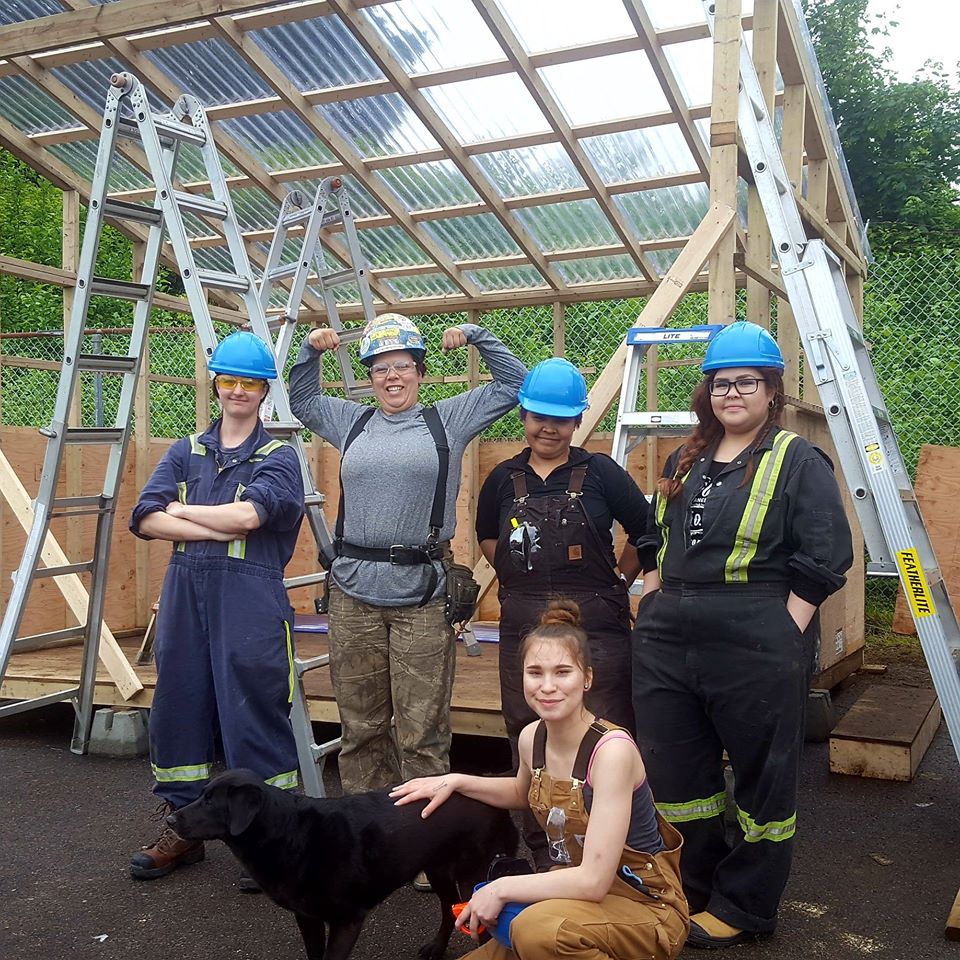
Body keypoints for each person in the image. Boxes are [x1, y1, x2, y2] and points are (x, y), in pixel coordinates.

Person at [631, 321, 853, 948]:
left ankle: (747, 907)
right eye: (720, 382)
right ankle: (692, 890)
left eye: (746, 382)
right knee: (678, 774)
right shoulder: (686, 456)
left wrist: (790, 623)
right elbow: (656, 538)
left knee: (761, 776)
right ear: (707, 391)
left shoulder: (796, 459)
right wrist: (652, 598)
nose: (731, 393)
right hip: (671, 632)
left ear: (771, 390)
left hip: (756, 631)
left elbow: (828, 550)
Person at [288, 313, 526, 798]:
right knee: (360, 730)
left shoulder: (448, 419)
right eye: (380, 368)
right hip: (353, 594)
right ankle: (369, 841)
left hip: (422, 596)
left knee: (421, 734)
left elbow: (516, 385)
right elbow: (303, 400)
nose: (391, 377)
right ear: (370, 376)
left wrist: (477, 336)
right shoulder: (351, 421)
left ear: (420, 371)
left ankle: (420, 852)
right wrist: (308, 352)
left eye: (402, 366)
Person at [390, 600, 689, 960]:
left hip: (642, 907)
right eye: (535, 672)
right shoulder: (533, 735)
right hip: (570, 899)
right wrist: (455, 780)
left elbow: (594, 881)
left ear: (588, 677)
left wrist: (501, 888)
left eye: (563, 672)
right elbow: (522, 791)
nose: (547, 686)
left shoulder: (612, 753)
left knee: (536, 932)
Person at [128, 331, 304, 882]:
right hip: (186, 595)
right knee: (178, 705)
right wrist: (204, 515)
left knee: (253, 711)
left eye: (248, 381)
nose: (237, 391)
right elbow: (145, 518)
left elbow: (252, 518)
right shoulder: (185, 450)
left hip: (250, 598)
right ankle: (183, 827)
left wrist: (182, 511)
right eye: (227, 379)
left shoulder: (280, 456)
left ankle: (270, 840)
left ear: (264, 389)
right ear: (216, 384)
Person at [475, 357, 651, 869]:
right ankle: (544, 857)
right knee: (527, 733)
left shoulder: (601, 474)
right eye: (536, 415)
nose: (547, 427)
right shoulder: (503, 480)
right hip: (524, 621)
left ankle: (616, 857)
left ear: (577, 422)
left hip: (598, 623)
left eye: (560, 418)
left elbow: (645, 531)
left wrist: (618, 579)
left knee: (608, 733)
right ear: (524, 416)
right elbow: (489, 537)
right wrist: (519, 575)